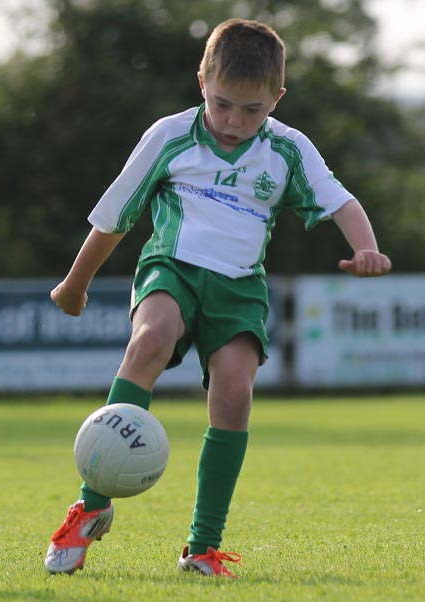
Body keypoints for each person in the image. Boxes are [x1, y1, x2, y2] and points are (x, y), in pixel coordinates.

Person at [44, 18, 391, 577]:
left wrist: (367, 248)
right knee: (150, 339)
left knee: (234, 393)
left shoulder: (288, 149)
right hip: (172, 268)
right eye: (223, 104)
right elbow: (114, 219)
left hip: (239, 287)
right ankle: (91, 506)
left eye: (253, 111)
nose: (234, 122)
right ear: (202, 80)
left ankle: (201, 546)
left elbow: (342, 201)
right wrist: (75, 283)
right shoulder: (169, 135)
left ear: (277, 99)